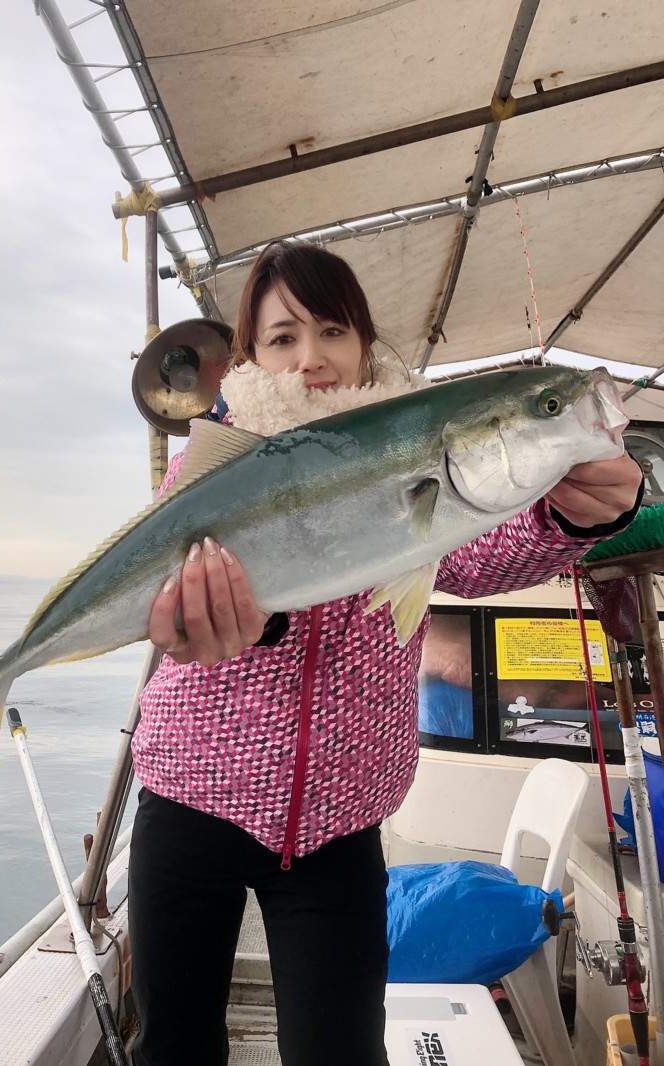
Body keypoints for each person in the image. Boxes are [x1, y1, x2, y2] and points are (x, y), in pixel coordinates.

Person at [127, 240, 643, 1066]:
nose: (313, 357)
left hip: (340, 824)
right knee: (174, 1046)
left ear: (365, 344)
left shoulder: (419, 444)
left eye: (332, 330)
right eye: (283, 337)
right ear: (253, 357)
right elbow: (167, 596)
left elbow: (477, 552)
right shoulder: (207, 464)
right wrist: (232, 624)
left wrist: (576, 519)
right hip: (193, 800)